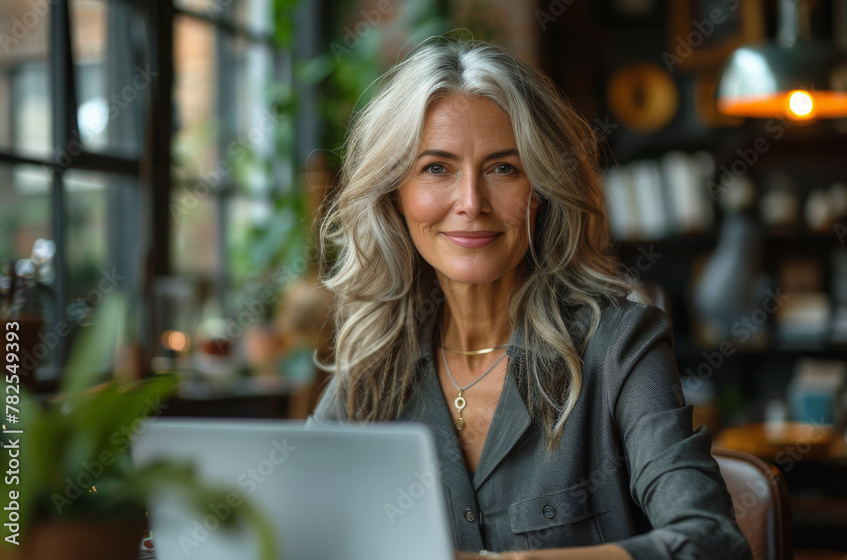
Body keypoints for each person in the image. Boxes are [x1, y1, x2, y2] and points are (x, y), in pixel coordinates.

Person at [307, 38, 752, 560]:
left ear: (540, 191)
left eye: (503, 168)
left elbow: (711, 543)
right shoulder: (372, 361)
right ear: (393, 195)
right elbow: (292, 526)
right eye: (436, 168)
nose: (471, 203)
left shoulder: (620, 346)